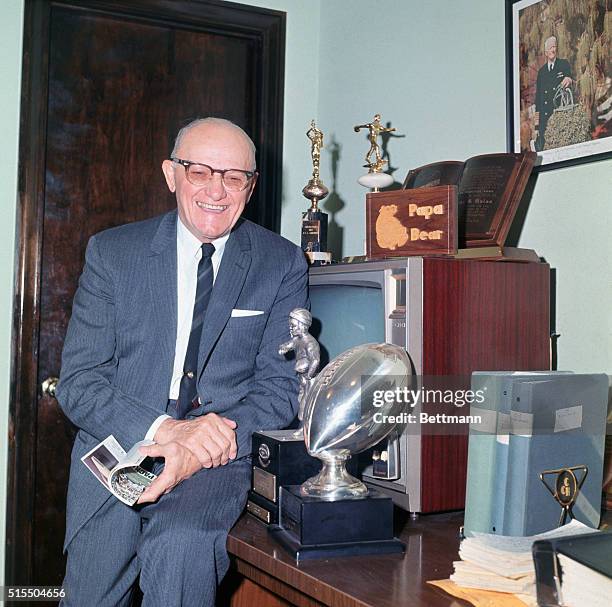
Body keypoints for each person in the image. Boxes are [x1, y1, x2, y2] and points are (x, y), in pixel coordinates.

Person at [56, 117, 308, 606]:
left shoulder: (281, 263)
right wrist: (168, 431)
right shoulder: (112, 253)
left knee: (181, 551)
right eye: (200, 172)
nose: (217, 190)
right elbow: (80, 382)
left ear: (250, 187)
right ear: (172, 174)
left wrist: (195, 448)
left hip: (217, 461)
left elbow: (281, 389)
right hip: (120, 447)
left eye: (234, 177)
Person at [278, 308, 320, 421]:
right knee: (301, 400)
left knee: (306, 404)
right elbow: (290, 344)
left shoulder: (310, 343)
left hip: (310, 380)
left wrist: (309, 375)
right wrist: (284, 347)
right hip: (302, 378)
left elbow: (315, 360)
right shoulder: (298, 339)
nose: (291, 328)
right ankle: (303, 427)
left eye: (293, 325)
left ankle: (304, 428)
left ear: (303, 325)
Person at [535, 36, 572, 151]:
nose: (553, 50)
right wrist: (536, 125)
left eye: (554, 47)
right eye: (550, 48)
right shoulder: (541, 72)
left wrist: (569, 79)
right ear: (546, 52)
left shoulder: (563, 64)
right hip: (544, 118)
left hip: (558, 114)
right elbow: (538, 99)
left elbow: (570, 78)